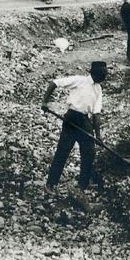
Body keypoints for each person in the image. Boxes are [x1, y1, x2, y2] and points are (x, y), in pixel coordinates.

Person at [43, 60, 107, 194]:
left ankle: (82, 185)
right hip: (71, 118)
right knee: (63, 151)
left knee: (89, 152)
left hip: (84, 121)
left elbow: (96, 114)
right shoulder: (79, 80)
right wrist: (45, 101)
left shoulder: (98, 89)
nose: (103, 77)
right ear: (94, 73)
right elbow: (54, 83)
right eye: (102, 74)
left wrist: (98, 136)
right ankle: (51, 184)